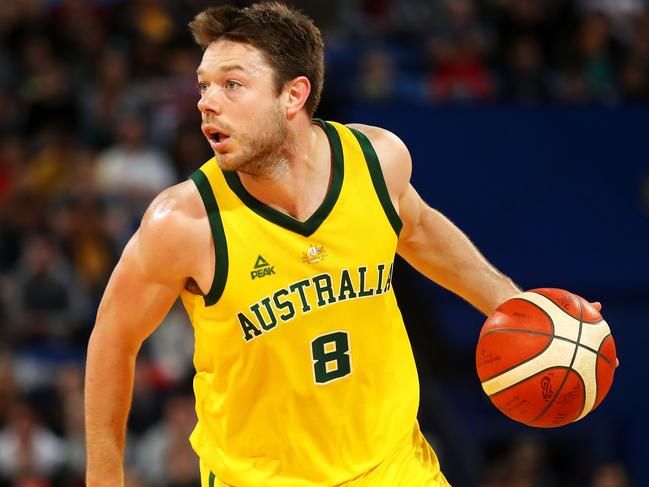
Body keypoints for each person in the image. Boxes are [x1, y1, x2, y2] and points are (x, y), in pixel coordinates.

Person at [85, 3, 522, 486]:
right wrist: (105, 478)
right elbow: (113, 338)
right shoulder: (184, 222)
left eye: (231, 84)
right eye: (204, 85)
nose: (206, 102)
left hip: (395, 469)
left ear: (293, 95)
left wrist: (513, 306)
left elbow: (416, 229)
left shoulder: (375, 162)